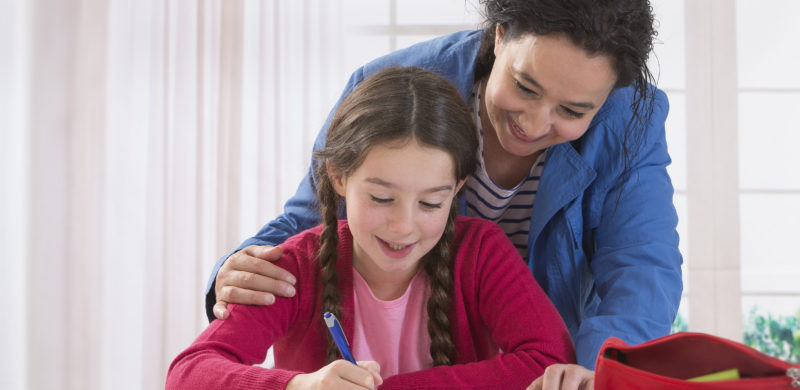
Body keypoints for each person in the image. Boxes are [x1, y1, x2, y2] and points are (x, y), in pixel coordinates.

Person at [207, 0, 682, 387]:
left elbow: (641, 265)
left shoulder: (630, 121)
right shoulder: (394, 87)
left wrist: (597, 372)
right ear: (499, 37)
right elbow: (316, 216)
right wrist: (241, 269)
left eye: (573, 110)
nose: (534, 124)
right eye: (524, 85)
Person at [168, 67, 575, 389]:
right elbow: (188, 374)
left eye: (432, 202)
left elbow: (550, 358)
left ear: (458, 189)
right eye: (381, 198)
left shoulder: (481, 253)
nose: (403, 226)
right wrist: (299, 386)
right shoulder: (295, 267)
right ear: (339, 176)